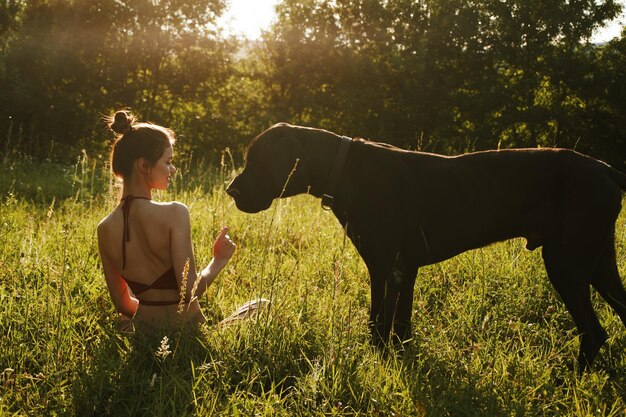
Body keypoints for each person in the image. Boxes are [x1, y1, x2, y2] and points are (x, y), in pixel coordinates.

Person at [97, 109, 236, 333]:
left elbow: (122, 304)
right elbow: (189, 291)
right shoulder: (175, 213)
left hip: (145, 334)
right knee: (261, 306)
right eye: (168, 162)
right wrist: (218, 260)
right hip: (189, 332)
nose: (173, 169)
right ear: (143, 165)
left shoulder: (104, 228)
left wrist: (153, 318)